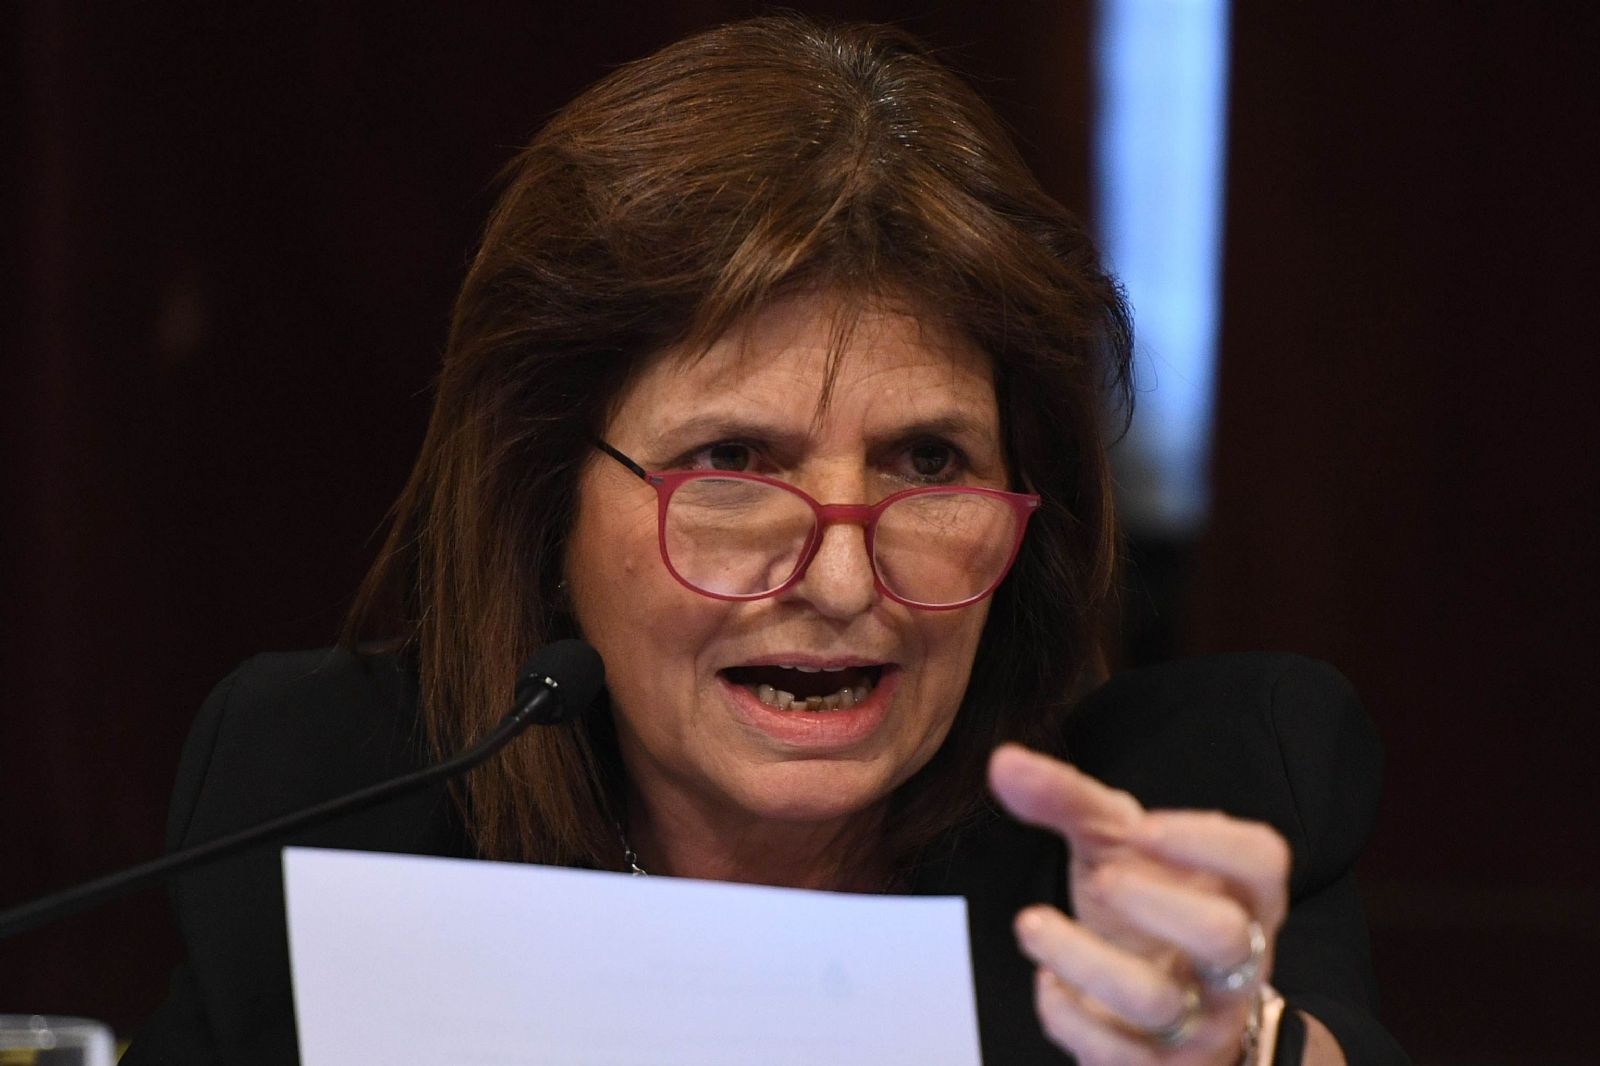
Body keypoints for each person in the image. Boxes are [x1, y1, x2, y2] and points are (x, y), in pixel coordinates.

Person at [126, 15, 1407, 1066]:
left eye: (929, 463)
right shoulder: (332, 804)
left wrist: (1242, 1049)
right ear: (546, 505)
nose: (843, 580)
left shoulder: (1184, 824)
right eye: (732, 463)